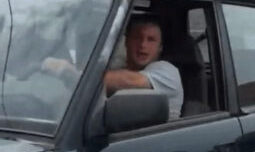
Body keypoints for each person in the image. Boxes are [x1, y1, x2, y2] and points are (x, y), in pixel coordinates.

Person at [44, 15, 183, 119]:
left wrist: (68, 72)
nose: (142, 45)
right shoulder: (118, 68)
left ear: (160, 48)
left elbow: (130, 81)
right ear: (126, 41)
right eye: (137, 37)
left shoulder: (167, 71)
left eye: (151, 39)